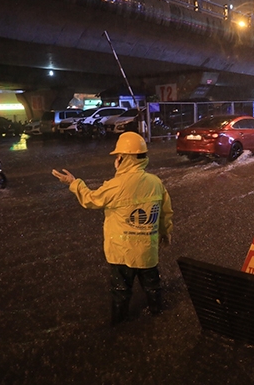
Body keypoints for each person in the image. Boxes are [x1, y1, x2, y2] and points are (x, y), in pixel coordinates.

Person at [51, 132, 173, 325]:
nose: (116, 159)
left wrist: (73, 183)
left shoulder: (116, 186)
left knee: (120, 291)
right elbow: (165, 212)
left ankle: (119, 325)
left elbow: (90, 199)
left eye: (118, 156)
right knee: (152, 286)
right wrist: (165, 232)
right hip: (147, 250)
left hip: (121, 253)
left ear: (125, 158)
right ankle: (158, 317)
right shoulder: (155, 182)